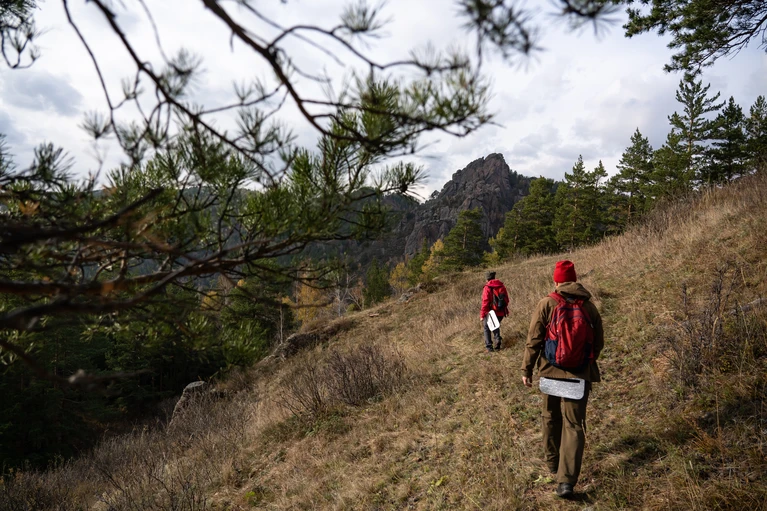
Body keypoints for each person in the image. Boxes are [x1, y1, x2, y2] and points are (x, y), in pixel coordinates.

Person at [520, 260, 604, 498]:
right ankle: (566, 482)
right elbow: (598, 343)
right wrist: (583, 362)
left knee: (550, 418)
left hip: (550, 372)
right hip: (579, 375)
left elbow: (534, 340)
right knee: (574, 426)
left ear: (556, 280)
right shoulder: (589, 307)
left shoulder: (547, 303)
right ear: (574, 279)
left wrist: (527, 369)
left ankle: (553, 464)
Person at [480, 271, 509, 352]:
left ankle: (489, 347)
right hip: (501, 311)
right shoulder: (501, 286)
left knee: (486, 327)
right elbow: (507, 299)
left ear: (487, 279)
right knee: (495, 325)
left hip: (491, 312)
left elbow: (485, 302)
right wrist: (505, 310)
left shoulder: (487, 287)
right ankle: (497, 340)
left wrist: (482, 315)